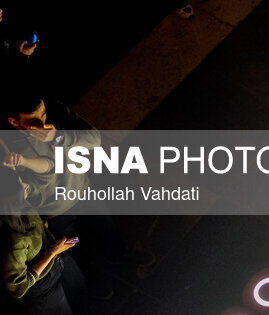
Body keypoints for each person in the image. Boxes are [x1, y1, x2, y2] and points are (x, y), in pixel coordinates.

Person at [3, 96, 154, 302]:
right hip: (53, 211)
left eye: (43, 115)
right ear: (14, 122)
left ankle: (120, 256)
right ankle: (95, 282)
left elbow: (94, 139)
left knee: (106, 227)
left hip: (83, 190)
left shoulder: (55, 111)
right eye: (33, 121)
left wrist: (57, 137)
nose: (42, 123)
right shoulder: (6, 143)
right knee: (76, 249)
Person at [0, 168, 85, 314]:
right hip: (42, 288)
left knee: (78, 291)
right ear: (14, 197)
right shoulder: (13, 241)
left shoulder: (22, 207)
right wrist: (52, 252)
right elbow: (18, 288)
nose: (25, 184)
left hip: (55, 260)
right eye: (20, 183)